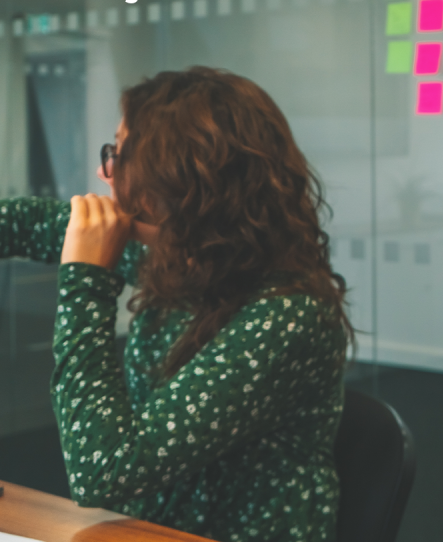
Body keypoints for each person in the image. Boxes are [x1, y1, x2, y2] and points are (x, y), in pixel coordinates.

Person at [0, 67, 353, 542]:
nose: (104, 173)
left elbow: (104, 471)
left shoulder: (289, 315)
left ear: (180, 184)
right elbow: (17, 222)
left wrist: (87, 280)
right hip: (139, 529)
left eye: (121, 157)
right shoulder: (177, 249)